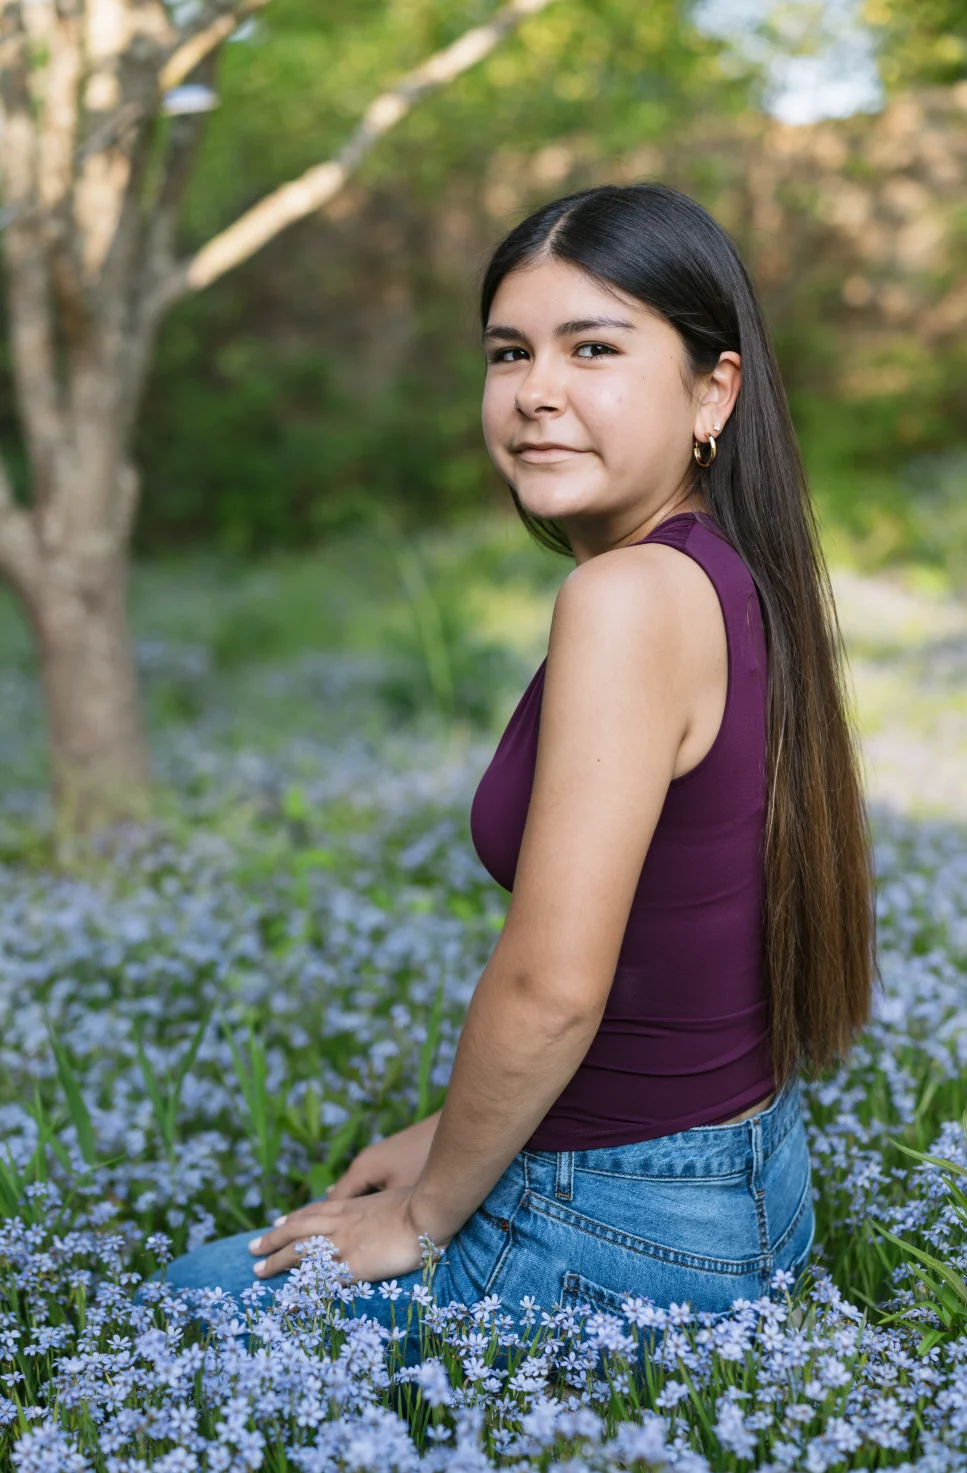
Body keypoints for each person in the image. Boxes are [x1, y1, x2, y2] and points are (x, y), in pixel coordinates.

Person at [163, 183, 874, 1339]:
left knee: (176, 1313)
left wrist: (429, 1213)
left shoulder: (628, 594)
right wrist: (449, 1130)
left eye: (593, 346)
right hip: (735, 1182)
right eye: (508, 352)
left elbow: (553, 986)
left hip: (637, 1216)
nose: (536, 391)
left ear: (713, 390)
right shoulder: (732, 569)